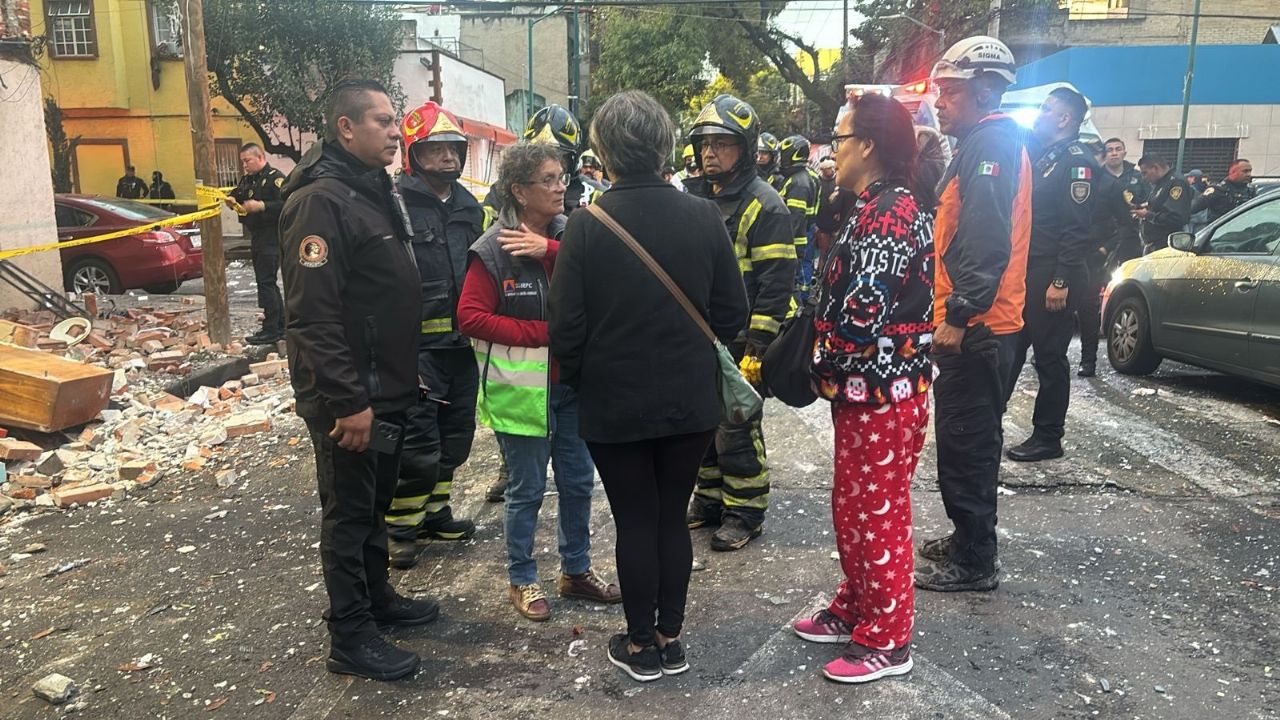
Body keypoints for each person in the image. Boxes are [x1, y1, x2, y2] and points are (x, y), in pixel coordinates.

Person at [548, 90, 749, 684]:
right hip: (690, 402)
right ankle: (670, 636)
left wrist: (593, 377)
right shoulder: (704, 216)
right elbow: (732, 312)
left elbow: (565, 331)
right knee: (669, 516)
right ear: (666, 145)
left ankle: (640, 645)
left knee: (635, 518)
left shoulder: (586, 226)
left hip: (614, 403)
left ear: (603, 151)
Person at [279, 79, 436, 682]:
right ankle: (350, 634)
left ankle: (377, 601)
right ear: (346, 128)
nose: (396, 132)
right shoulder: (322, 201)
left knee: (374, 504)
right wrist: (348, 401)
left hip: (384, 386)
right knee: (348, 514)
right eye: (382, 121)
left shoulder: (370, 189)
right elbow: (312, 316)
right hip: (350, 398)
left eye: (395, 121)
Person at [797, 92, 937, 684]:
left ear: (869, 145)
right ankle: (857, 605)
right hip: (868, 391)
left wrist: (820, 358)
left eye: (841, 138)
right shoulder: (872, 206)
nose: (832, 153)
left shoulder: (889, 213)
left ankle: (889, 638)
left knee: (878, 512)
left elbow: (863, 312)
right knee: (854, 506)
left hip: (884, 391)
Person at [457, 141, 621, 623]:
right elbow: (469, 317)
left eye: (562, 178)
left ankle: (576, 571)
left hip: (573, 388)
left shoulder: (576, 233)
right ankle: (523, 578)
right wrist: (543, 335)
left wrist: (548, 249)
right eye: (547, 180)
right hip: (521, 394)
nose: (559, 187)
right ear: (519, 191)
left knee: (577, 483)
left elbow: (605, 276)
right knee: (526, 490)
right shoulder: (493, 249)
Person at [912, 36, 1031, 593]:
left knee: (968, 441)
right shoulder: (985, 142)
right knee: (967, 437)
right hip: (985, 321)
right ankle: (966, 537)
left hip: (979, 326)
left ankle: (976, 559)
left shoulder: (992, 145)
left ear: (984, 91)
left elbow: (984, 239)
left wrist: (959, 314)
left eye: (951, 92)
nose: (943, 102)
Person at [683, 94, 796, 552]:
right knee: (705, 424)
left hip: (742, 340)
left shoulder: (764, 206)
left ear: (745, 149)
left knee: (737, 426)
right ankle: (709, 499)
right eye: (705, 143)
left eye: (723, 143)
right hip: (704, 335)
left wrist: (757, 347)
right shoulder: (700, 198)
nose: (710, 152)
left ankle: (745, 510)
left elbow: (776, 284)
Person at [383, 102, 486, 570]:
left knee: (456, 436)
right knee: (418, 444)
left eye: (453, 149)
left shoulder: (470, 207)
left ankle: (434, 513)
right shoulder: (394, 204)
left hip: (462, 346)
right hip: (417, 349)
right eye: (435, 149)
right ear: (413, 154)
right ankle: (401, 528)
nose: (447, 158)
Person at [481, 103, 593, 504]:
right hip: (517, 354)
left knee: (575, 479)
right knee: (523, 480)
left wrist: (548, 248)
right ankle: (508, 464)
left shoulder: (583, 201)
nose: (555, 178)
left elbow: (595, 265)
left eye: (561, 162)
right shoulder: (497, 206)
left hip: (569, 361)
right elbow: (479, 292)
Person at [1004, 87, 1096, 463]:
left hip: (1053, 275)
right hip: (1030, 270)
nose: (1039, 115)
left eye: (1046, 109)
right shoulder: (1046, 158)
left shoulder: (1077, 162)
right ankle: (989, 419)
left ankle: (1048, 436)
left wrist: (1061, 281)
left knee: (1049, 358)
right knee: (1010, 350)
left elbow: (1077, 229)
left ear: (1064, 119)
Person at [1077, 141, 1138, 378]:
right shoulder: (1071, 177)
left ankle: (1088, 360)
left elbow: (1125, 224)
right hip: (1066, 251)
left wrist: (1105, 249)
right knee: (1056, 308)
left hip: (1093, 255)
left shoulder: (1110, 185)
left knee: (1087, 309)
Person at [228, 143, 287, 345]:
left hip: (271, 236)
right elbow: (239, 192)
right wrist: (231, 198)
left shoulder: (274, 178)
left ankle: (272, 329)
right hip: (257, 235)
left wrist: (262, 206)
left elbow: (287, 204)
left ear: (260, 157)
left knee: (266, 282)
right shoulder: (249, 179)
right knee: (266, 282)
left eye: (247, 160)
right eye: (243, 161)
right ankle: (281, 325)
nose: (244, 165)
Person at [774, 135, 818, 302]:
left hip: (794, 242)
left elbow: (794, 218)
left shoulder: (798, 183)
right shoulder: (798, 178)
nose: (780, 160)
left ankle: (797, 313)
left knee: (793, 281)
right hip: (799, 239)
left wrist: (783, 241)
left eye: (783, 155)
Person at [1100, 137, 1147, 265]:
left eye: (1118, 149)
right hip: (1104, 237)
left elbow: (1149, 200)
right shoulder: (1096, 177)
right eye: (1109, 150)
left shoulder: (1138, 176)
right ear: (1104, 155)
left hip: (1132, 234)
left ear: (1124, 153)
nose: (1114, 153)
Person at [1134, 155, 1191, 255]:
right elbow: (1158, 205)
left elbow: (1176, 217)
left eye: (1145, 173)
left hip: (1166, 246)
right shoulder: (1161, 183)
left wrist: (1147, 215)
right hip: (1154, 245)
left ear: (1155, 168)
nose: (1143, 178)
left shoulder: (1176, 183)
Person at [1193, 159, 1257, 223]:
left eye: (1250, 171)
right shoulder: (1217, 190)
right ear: (1232, 172)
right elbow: (1193, 207)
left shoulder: (1250, 190)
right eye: (1245, 171)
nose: (1249, 174)